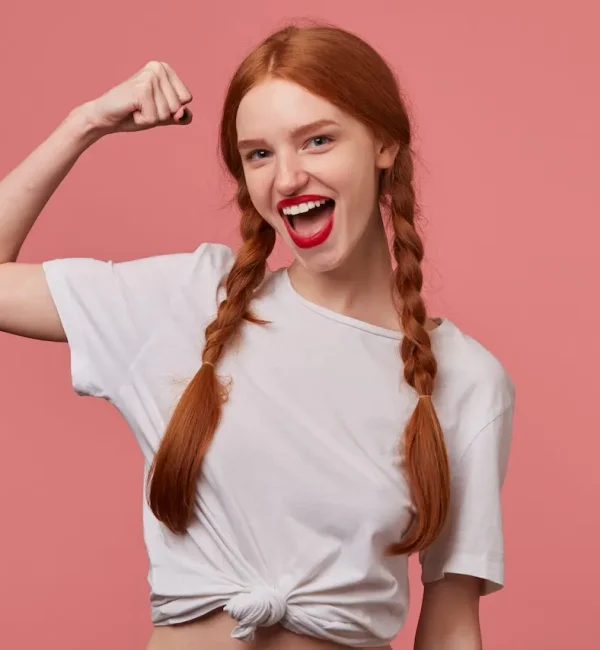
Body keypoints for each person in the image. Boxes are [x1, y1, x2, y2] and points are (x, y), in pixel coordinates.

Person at [0, 21, 515, 650]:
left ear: (383, 144)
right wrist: (84, 124)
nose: (288, 178)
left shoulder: (466, 379)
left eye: (318, 140)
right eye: (259, 154)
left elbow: (453, 624)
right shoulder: (189, 303)